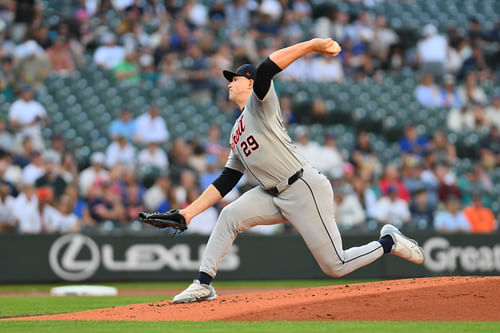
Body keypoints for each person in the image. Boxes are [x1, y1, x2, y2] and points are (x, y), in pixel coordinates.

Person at [149, 38, 424, 304]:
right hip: (271, 194)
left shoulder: (260, 105)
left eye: (235, 78)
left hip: (303, 187)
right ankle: (203, 284)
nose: (230, 83)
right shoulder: (236, 132)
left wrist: (313, 45)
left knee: (335, 266)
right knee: (229, 214)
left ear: (250, 82)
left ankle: (389, 241)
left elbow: (267, 69)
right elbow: (227, 180)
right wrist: (188, 213)